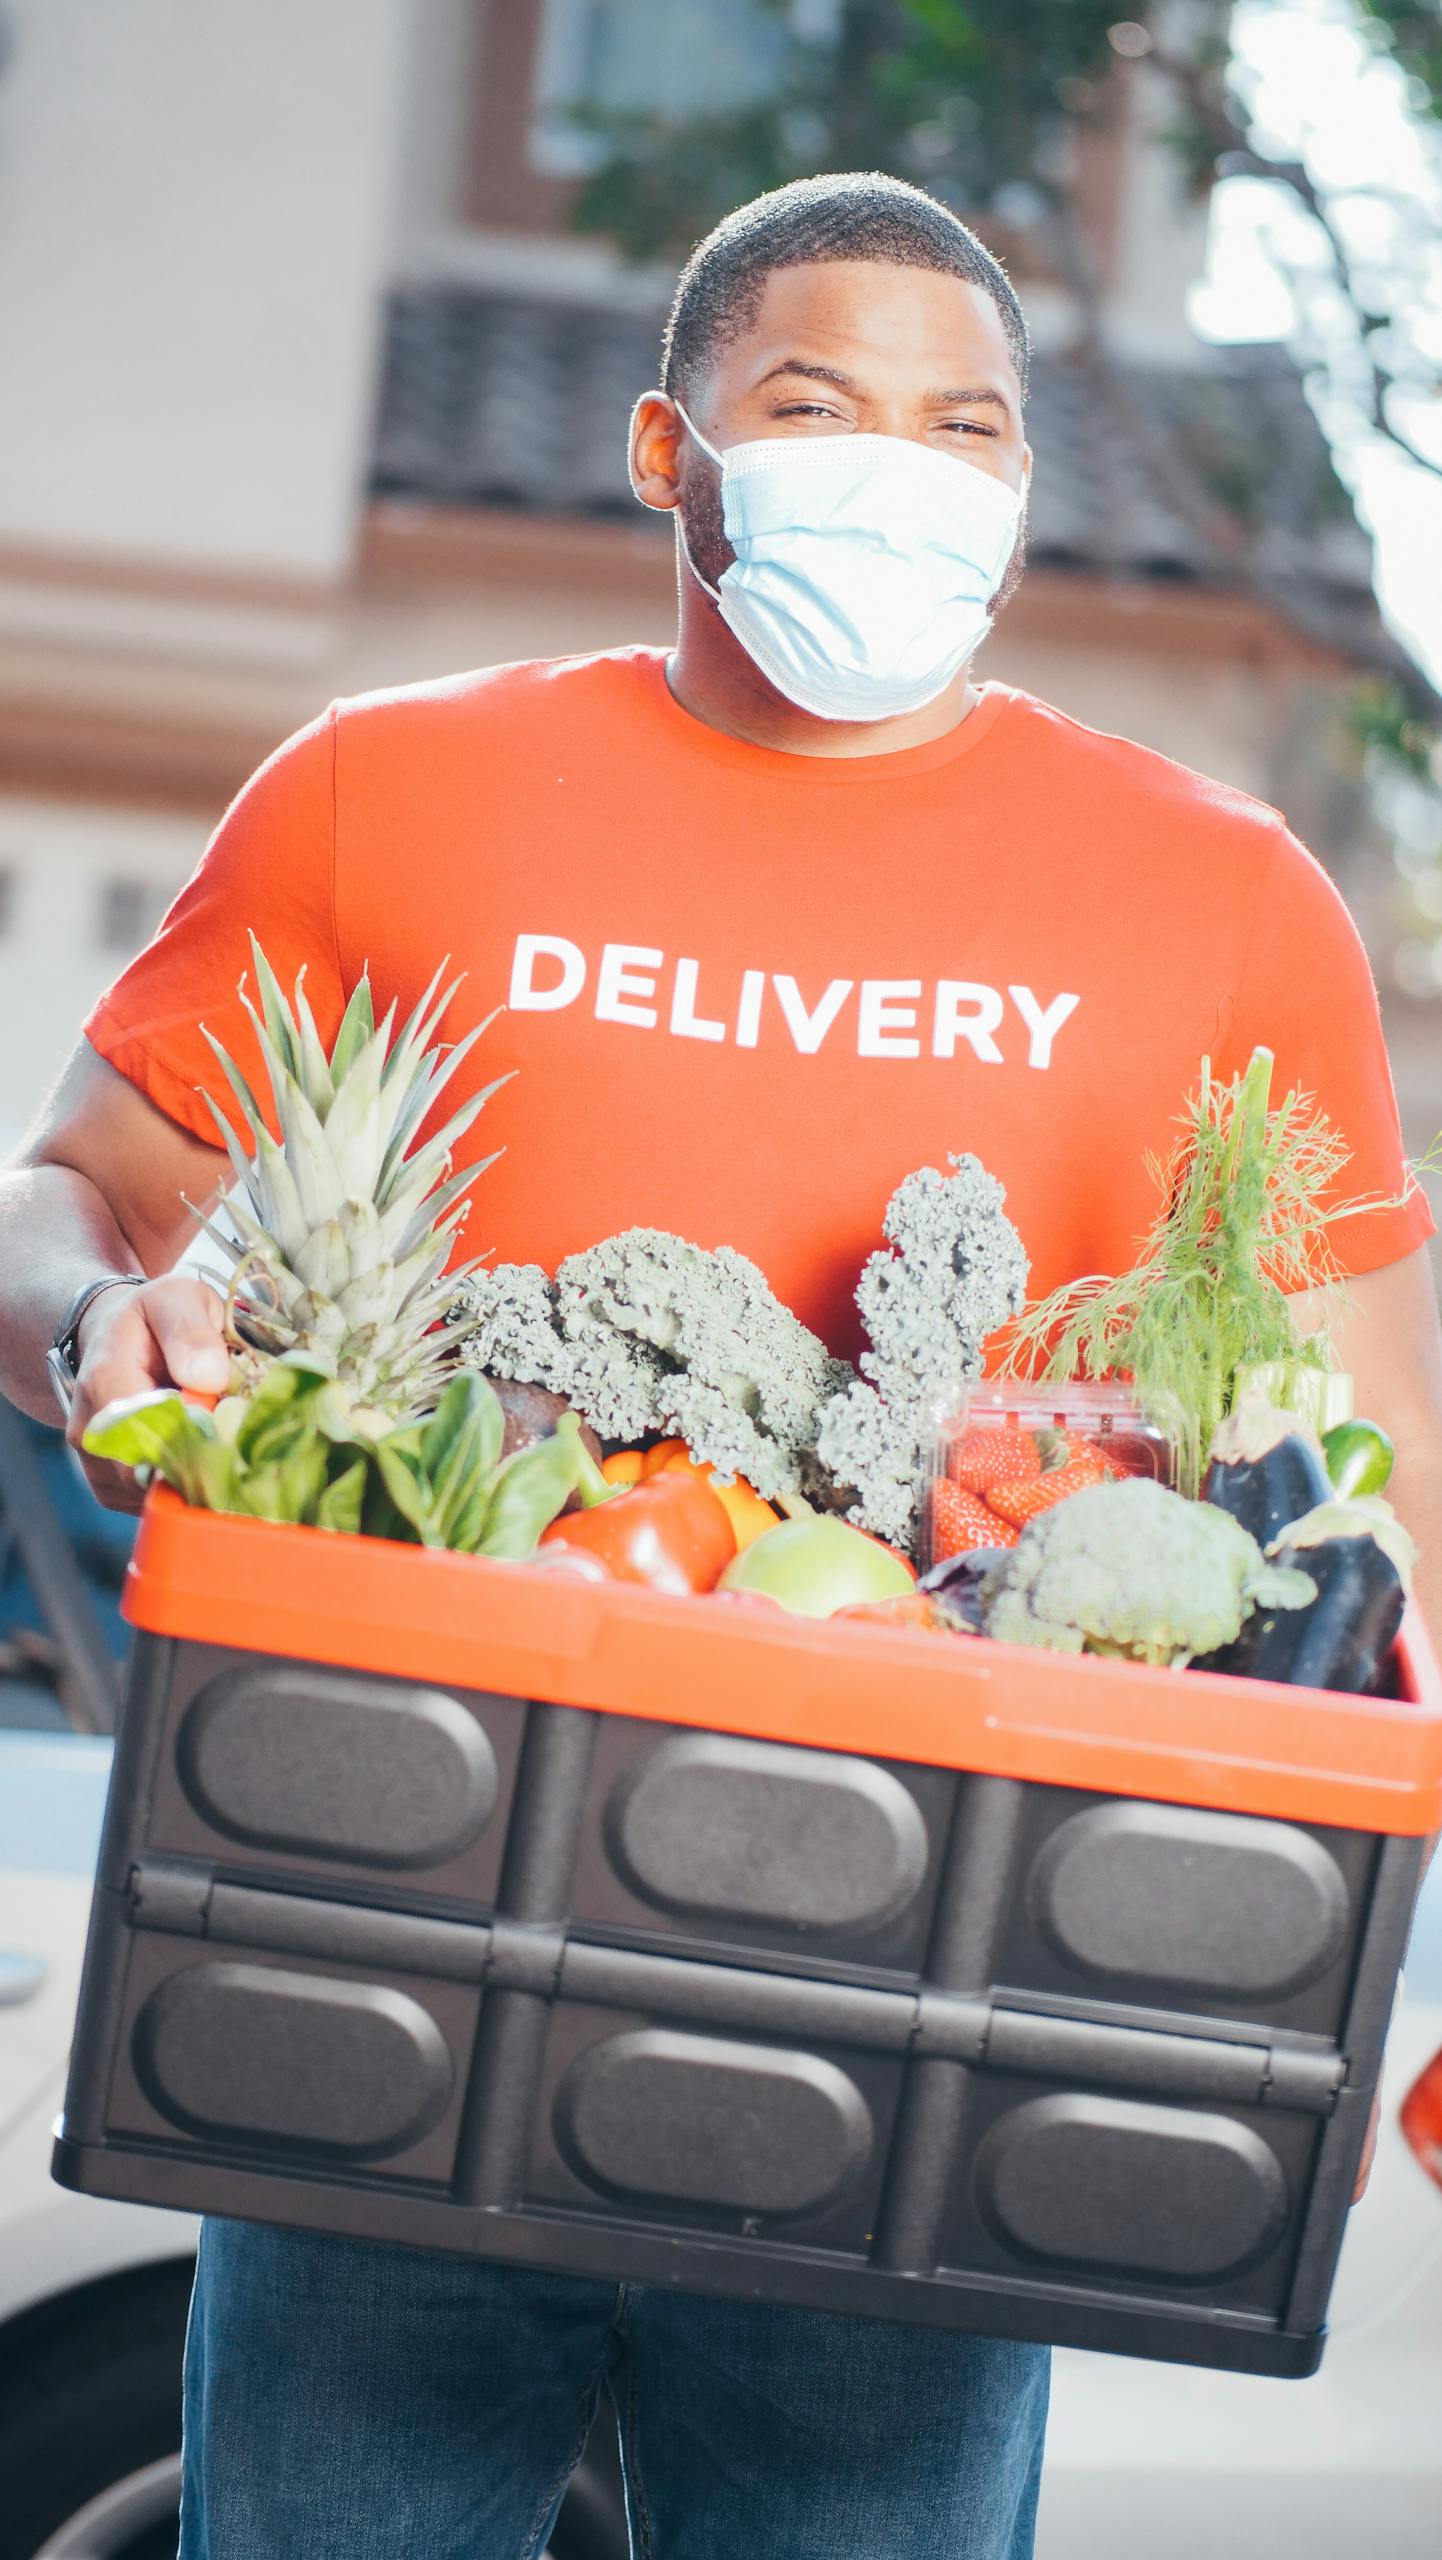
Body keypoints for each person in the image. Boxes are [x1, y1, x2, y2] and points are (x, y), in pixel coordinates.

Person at [0, 171, 1438, 2560]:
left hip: (941, 1967)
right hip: (412, 1885)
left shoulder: (1221, 894)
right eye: (817, 402)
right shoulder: (390, 788)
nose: (904, 466)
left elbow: (1380, 1438)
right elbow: (71, 1191)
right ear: (671, 454)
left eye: (967, 426)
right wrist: (93, 1316)